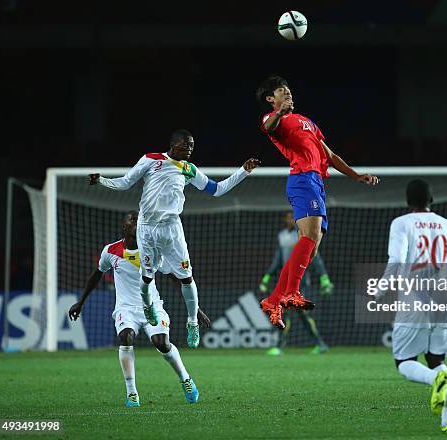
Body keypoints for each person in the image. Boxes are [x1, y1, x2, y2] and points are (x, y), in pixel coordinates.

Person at [88, 129, 259, 348]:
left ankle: (192, 322)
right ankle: (148, 307)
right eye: (186, 145)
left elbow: (217, 190)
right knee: (147, 276)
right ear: (174, 144)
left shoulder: (189, 169)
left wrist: (243, 172)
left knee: (186, 277)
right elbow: (126, 182)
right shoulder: (151, 159)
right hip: (147, 228)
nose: (190, 149)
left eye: (192, 146)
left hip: (171, 229)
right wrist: (102, 180)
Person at [256, 76, 379, 328]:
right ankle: (290, 292)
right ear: (271, 99)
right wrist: (278, 112)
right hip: (302, 179)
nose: (288, 93)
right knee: (309, 237)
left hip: (316, 182)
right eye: (281, 91)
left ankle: (274, 299)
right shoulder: (274, 120)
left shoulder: (307, 122)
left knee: (310, 249)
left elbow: (330, 155)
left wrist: (356, 175)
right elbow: (268, 127)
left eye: (289, 90)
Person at [68, 211, 211, 407]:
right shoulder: (110, 251)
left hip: (152, 305)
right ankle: (132, 394)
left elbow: (176, 279)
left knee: (161, 342)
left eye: (139, 219)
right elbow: (96, 275)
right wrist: (80, 302)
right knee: (125, 337)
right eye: (131, 219)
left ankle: (186, 379)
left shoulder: (152, 249)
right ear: (124, 227)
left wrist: (195, 309)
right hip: (125, 308)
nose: (136, 221)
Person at [382, 179, 447, 435]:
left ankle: (435, 380)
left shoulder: (401, 223)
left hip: (415, 299)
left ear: (407, 201)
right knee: (437, 360)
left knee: (404, 361)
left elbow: (397, 259)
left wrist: (381, 288)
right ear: (431, 199)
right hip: (444, 301)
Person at [259, 212, 332, 355]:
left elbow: (314, 257)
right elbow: (278, 259)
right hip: (285, 279)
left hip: (301, 279)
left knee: (291, 312)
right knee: (291, 313)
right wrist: (267, 277)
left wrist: (324, 277)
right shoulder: (282, 236)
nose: (291, 220)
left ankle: (284, 346)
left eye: (293, 217)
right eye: (288, 218)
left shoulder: (303, 232)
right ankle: (316, 343)